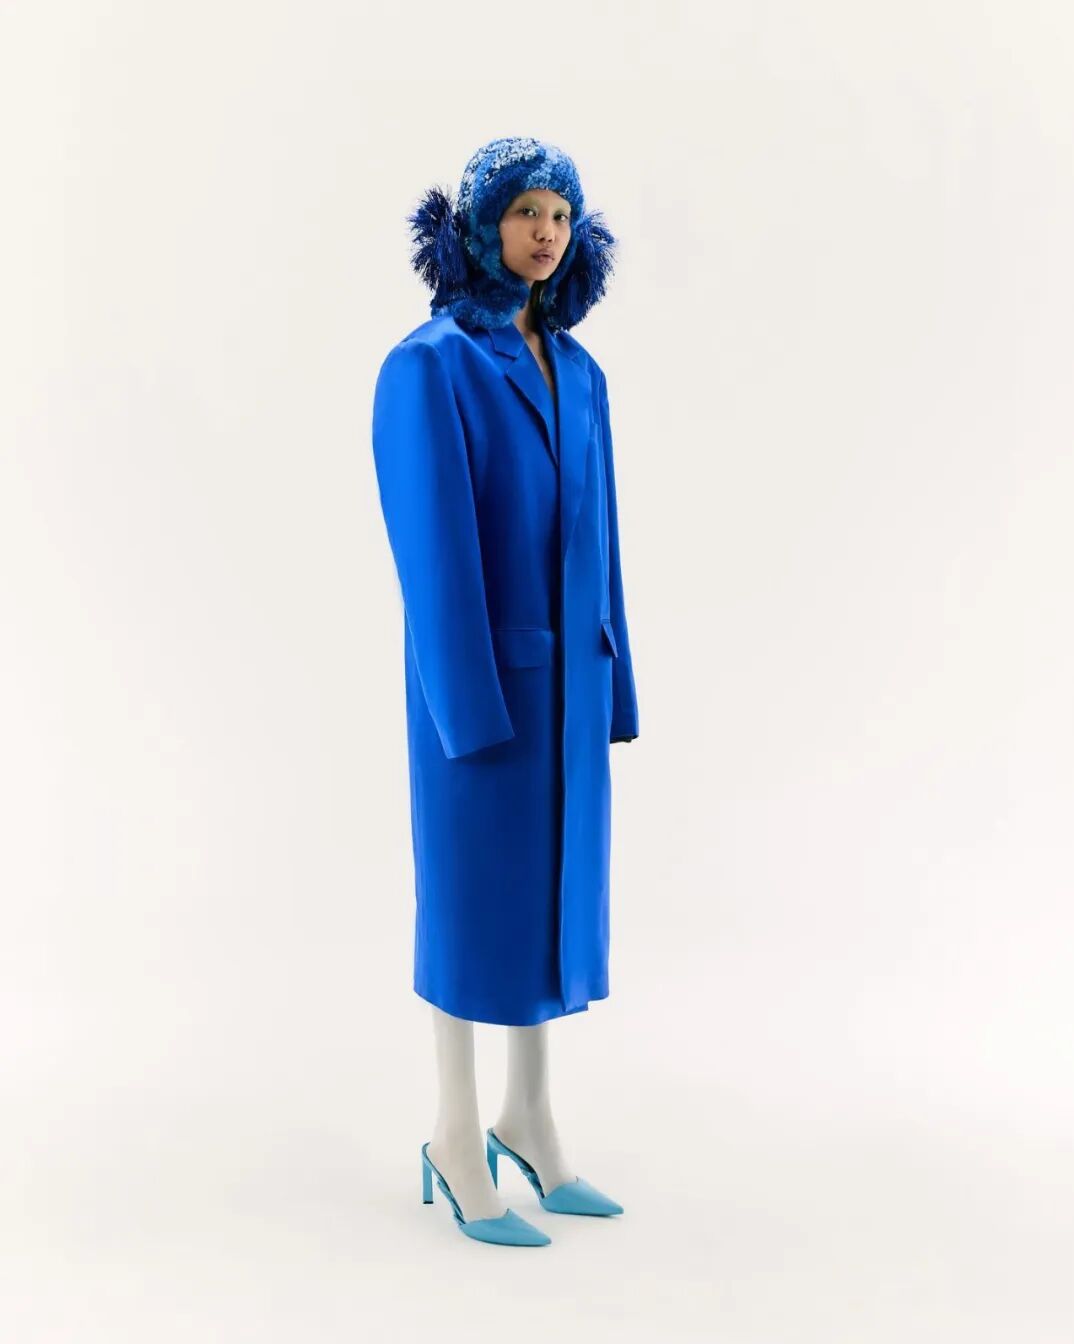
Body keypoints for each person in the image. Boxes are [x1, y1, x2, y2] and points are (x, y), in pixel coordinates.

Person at [371, 137, 640, 1246]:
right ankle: (453, 1129)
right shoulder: (429, 366)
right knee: (470, 908)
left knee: (548, 911)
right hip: (479, 699)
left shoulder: (581, 372)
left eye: (562, 216)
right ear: (482, 224)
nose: (546, 233)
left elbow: (602, 542)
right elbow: (432, 560)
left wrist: (616, 683)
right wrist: (466, 709)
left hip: (569, 693)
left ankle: (529, 1117)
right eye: (527, 211)